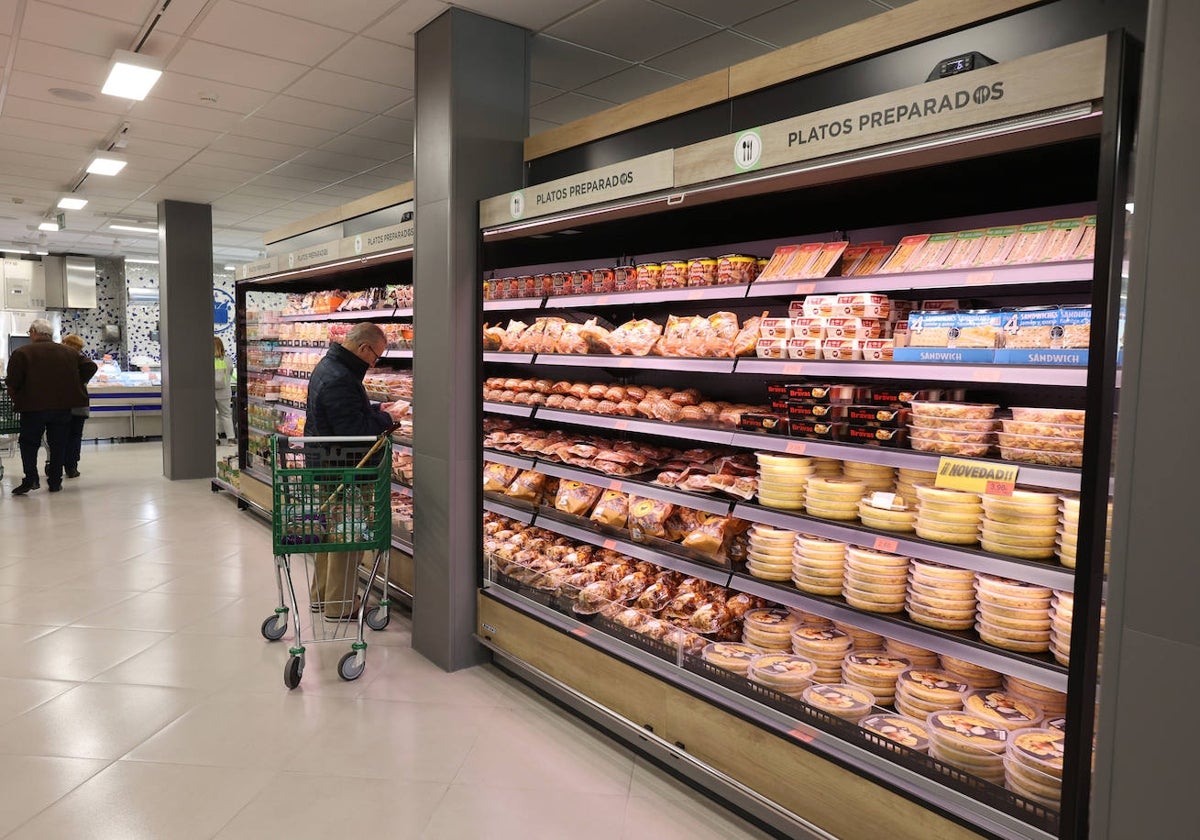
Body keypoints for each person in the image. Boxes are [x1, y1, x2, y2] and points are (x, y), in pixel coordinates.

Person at [305, 322, 407, 620]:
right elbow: (353, 433)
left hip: (327, 466)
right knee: (346, 539)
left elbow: (346, 416)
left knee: (330, 535)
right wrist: (387, 417)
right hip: (343, 470)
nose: (374, 363)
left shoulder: (330, 366)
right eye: (375, 356)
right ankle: (341, 605)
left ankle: (322, 597)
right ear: (363, 348)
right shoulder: (341, 379)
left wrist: (375, 410)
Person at [6, 319, 97, 495]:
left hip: (32, 407)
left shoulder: (22, 352)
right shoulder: (69, 352)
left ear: (33, 331)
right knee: (58, 443)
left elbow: (13, 382)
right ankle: (55, 481)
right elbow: (90, 366)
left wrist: (19, 398)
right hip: (61, 407)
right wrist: (77, 382)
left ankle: (31, 479)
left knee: (29, 443)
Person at [60, 334, 90, 479]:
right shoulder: (81, 361)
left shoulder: (62, 360)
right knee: (75, 436)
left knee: (60, 436)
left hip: (62, 405)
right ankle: (72, 467)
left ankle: (60, 465)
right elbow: (92, 367)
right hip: (79, 404)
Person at [214, 337, 235, 445]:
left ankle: (215, 439)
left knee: (210, 416)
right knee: (226, 415)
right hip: (224, 392)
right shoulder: (227, 359)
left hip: (209, 391)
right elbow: (230, 374)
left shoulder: (205, 359)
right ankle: (231, 438)